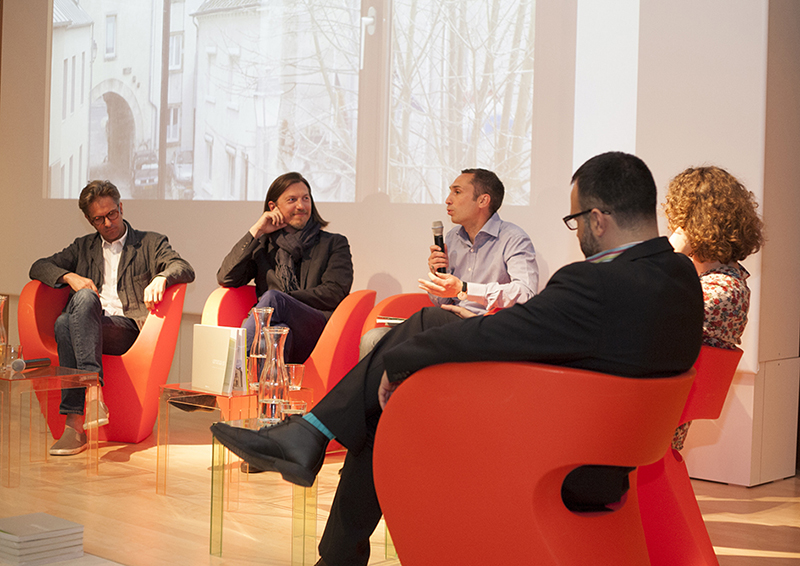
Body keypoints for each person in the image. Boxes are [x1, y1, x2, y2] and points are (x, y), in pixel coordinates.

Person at [211, 151, 705, 566]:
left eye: (574, 220)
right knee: (405, 375)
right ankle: (312, 445)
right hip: (605, 455)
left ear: (598, 218)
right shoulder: (681, 280)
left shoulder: (595, 282)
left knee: (412, 364)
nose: (576, 233)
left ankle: (314, 455)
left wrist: (400, 361)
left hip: (553, 461)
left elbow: (505, 330)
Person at [29, 180, 195, 456]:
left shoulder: (150, 242)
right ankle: (90, 397)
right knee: (66, 319)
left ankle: (75, 421)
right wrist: (70, 277)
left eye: (112, 214)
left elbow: (184, 267)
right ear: (88, 220)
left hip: (125, 329)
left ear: (121, 207)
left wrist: (162, 277)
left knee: (75, 309)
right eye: (99, 219)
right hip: (86, 326)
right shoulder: (83, 247)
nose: (107, 223)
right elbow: (38, 266)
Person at [359, 168, 539, 358]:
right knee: (374, 338)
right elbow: (443, 301)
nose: (448, 199)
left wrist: (464, 288)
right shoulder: (453, 238)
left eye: (457, 192)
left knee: (429, 317)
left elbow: (526, 293)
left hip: (488, 328)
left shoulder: (513, 238)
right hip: (451, 325)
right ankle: (377, 388)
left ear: (483, 200)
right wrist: (438, 276)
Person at [664, 165, 765, 449]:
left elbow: (638, 310)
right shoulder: (719, 284)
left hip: (650, 422)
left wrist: (671, 253)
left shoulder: (719, 291)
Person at [217, 172, 353, 364]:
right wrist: (256, 231)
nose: (301, 206)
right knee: (277, 333)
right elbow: (226, 277)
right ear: (273, 207)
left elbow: (335, 292)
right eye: (292, 200)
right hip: (277, 332)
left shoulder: (334, 243)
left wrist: (282, 300)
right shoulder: (263, 246)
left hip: (317, 329)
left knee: (273, 298)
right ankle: (268, 392)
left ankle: (234, 364)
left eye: (306, 198)